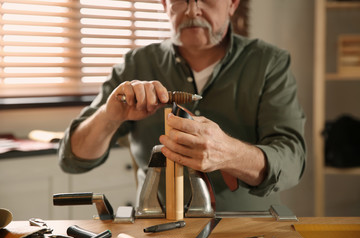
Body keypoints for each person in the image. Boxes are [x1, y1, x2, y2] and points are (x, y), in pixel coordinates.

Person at [59, 0, 306, 212]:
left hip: (245, 228)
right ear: (165, 5)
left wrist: (230, 154)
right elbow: (73, 159)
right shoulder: (135, 65)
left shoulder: (269, 63)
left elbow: (292, 161)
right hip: (155, 229)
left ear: (232, 4)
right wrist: (108, 117)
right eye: (181, 0)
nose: (192, 11)